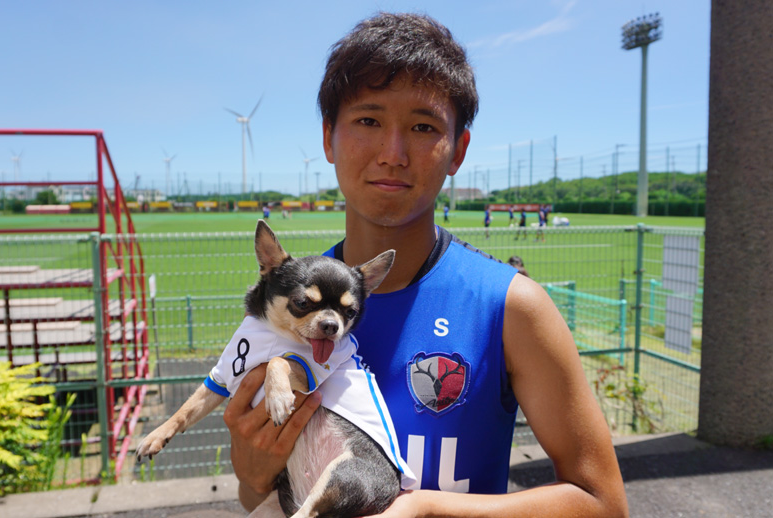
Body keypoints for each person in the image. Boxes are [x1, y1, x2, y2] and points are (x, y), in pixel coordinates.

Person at [224, 12, 628, 518]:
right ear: (328, 137)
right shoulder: (288, 306)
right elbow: (256, 497)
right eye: (368, 121)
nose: (393, 153)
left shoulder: (510, 307)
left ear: (458, 149)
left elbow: (604, 503)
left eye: (422, 127)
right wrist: (251, 474)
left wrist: (427, 509)